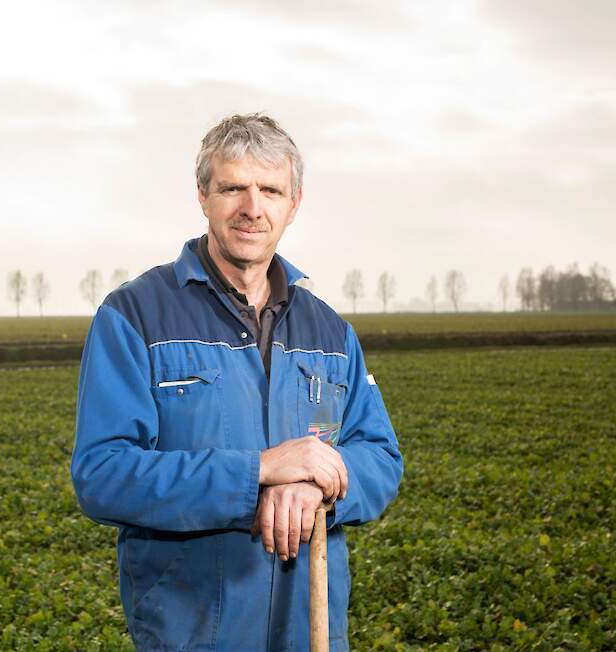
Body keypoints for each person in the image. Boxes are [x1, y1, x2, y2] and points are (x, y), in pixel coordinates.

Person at [71, 113, 403, 651]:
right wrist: (260, 473)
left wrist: (317, 483)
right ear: (203, 195)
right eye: (233, 188)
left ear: (293, 204)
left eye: (271, 190)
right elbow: (103, 474)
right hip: (194, 634)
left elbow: (381, 456)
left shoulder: (330, 331)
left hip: (311, 630)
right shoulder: (134, 317)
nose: (253, 209)